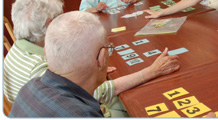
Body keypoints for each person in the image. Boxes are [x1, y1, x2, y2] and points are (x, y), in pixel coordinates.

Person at [9, 11, 180, 117]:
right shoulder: (81, 114)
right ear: (101, 58)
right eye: (108, 49)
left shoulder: (29, 88)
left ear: (47, 52)